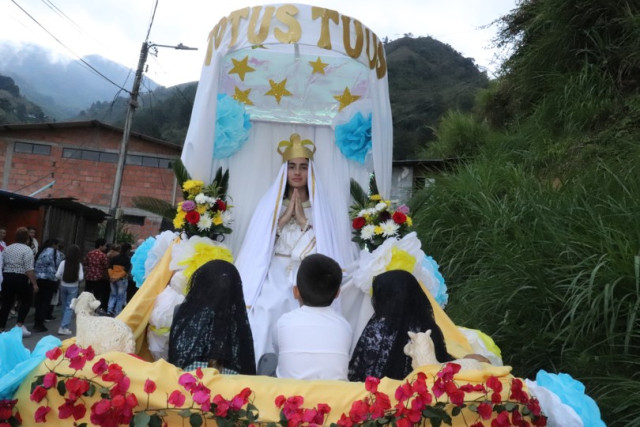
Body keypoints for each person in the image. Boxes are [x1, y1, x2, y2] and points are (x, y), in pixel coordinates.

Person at [236, 133, 348, 365]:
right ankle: (260, 367)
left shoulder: (320, 208)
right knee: (267, 307)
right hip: (273, 271)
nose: (297, 172)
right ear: (284, 171)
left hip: (306, 273)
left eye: (303, 167)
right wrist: (283, 220)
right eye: (292, 166)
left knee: (300, 306)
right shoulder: (270, 205)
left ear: (310, 171)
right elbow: (258, 247)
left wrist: (304, 222)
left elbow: (323, 251)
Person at [348, 270, 455, 382]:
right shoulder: (426, 326)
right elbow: (438, 363)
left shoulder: (377, 329)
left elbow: (363, 369)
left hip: (378, 392)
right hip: (420, 391)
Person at [168, 260, 256, 374]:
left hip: (185, 385)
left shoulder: (184, 317)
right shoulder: (239, 326)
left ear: (199, 286)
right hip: (231, 387)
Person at [276, 254, 352, 380]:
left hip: (290, 397)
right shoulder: (345, 326)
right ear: (337, 293)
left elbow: (278, 349)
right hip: (334, 397)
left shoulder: (284, 322)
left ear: (295, 292)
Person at [0, 227, 39, 337]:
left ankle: (1, 327)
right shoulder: (27, 250)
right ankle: (19, 324)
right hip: (21, 278)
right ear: (26, 238)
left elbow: (3, 264)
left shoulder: (7, 248)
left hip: (7, 276)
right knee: (26, 301)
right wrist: (34, 284)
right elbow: (29, 269)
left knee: (6, 303)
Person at [33, 238, 64, 332]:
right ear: (54, 244)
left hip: (39, 278)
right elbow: (59, 266)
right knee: (46, 302)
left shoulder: (41, 251)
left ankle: (36, 322)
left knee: (39, 301)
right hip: (50, 279)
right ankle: (40, 324)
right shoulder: (57, 253)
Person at [56, 244, 84, 336]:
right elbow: (81, 277)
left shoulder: (63, 263)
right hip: (73, 286)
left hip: (63, 285)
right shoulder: (78, 264)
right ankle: (63, 327)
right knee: (69, 307)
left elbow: (57, 275)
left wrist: (62, 279)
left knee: (64, 306)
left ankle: (64, 325)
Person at [83, 238, 110, 312]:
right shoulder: (103, 255)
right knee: (96, 295)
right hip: (98, 277)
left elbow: (85, 262)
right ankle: (93, 310)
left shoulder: (90, 253)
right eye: (105, 246)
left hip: (89, 276)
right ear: (100, 246)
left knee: (87, 293)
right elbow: (106, 266)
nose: (105, 247)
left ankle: (85, 307)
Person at [107, 243, 131, 316]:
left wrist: (112, 277)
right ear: (128, 250)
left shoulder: (115, 258)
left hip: (112, 279)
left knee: (113, 294)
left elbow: (110, 268)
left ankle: (109, 310)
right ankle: (117, 312)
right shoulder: (127, 259)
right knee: (120, 297)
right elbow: (125, 271)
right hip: (121, 280)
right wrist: (118, 277)